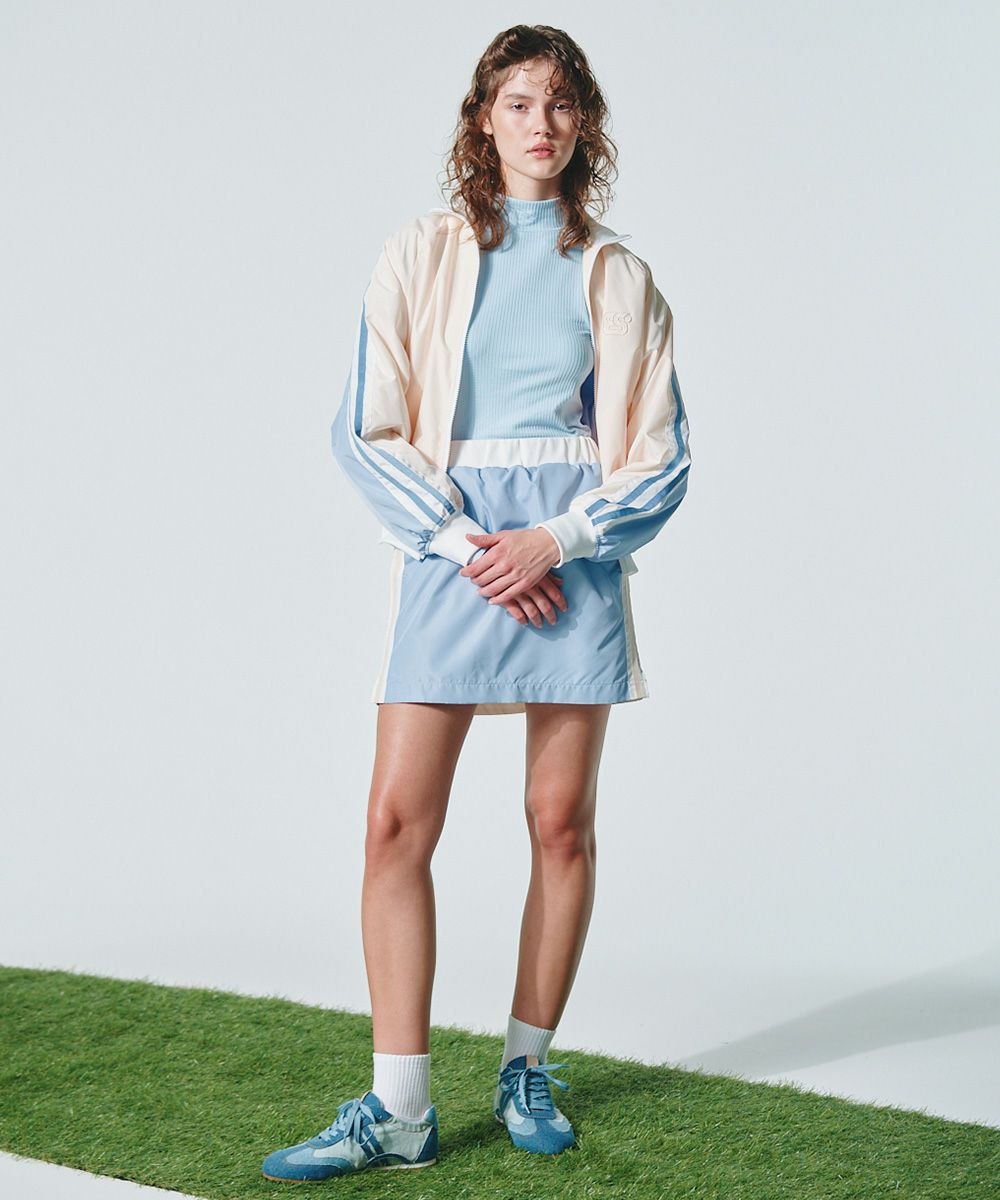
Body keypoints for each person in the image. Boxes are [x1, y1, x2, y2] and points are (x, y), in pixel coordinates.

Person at [262, 24, 691, 1182]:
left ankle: (524, 1067)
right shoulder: (419, 252)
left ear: (584, 122)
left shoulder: (620, 275)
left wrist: (555, 539)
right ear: (482, 120)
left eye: (558, 103)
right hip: (451, 550)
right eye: (516, 102)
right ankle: (399, 1107)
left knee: (560, 823)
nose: (539, 124)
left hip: (571, 555)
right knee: (394, 824)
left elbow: (660, 456)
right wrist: (467, 545)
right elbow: (363, 429)